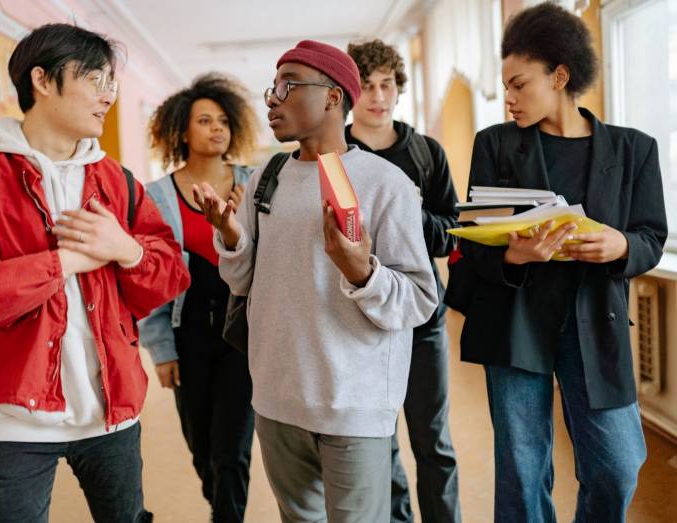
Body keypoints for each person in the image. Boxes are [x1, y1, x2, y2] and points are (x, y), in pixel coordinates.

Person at [0, 23, 190, 522]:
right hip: (9, 420)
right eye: (95, 79)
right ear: (43, 81)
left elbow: (168, 276)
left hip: (110, 409)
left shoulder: (115, 180)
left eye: (111, 82)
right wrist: (68, 261)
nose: (107, 95)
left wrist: (126, 250)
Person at [194, 40, 438, 523]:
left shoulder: (384, 183)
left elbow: (419, 300)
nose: (272, 98)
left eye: (288, 85)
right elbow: (242, 283)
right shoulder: (269, 176)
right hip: (277, 398)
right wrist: (230, 235)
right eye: (272, 87)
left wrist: (359, 270)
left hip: (354, 403)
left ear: (333, 96)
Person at [457, 3, 668, 521]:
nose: (508, 98)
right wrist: (513, 253)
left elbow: (651, 236)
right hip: (516, 319)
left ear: (560, 75)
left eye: (519, 84)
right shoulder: (495, 145)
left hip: (595, 319)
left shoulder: (635, 150)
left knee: (617, 465)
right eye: (504, 86)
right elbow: (476, 240)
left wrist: (620, 245)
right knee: (522, 471)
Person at [346, 38, 461, 523]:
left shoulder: (427, 153)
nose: (377, 95)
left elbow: (450, 234)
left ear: (398, 88)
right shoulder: (334, 154)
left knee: (432, 439)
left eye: (386, 84)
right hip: (358, 317)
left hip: (421, 315)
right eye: (367, 85)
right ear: (350, 92)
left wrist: (408, 210)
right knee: (380, 439)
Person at [139, 73, 259, 523]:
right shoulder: (156, 196)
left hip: (241, 335)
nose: (216, 129)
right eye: (204, 120)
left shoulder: (255, 183)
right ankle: (220, 506)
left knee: (233, 447)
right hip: (186, 334)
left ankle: (227, 516)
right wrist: (161, 350)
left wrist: (246, 219)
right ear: (181, 132)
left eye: (223, 121)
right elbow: (149, 280)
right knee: (201, 447)